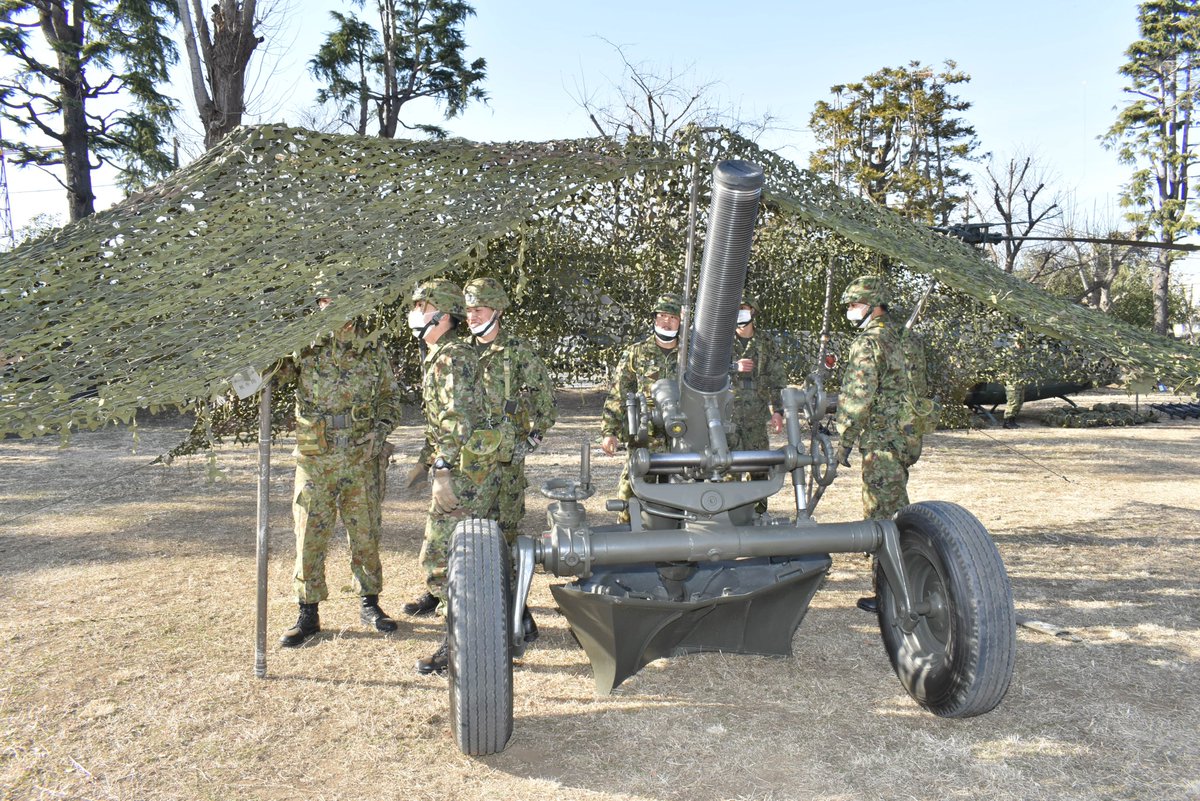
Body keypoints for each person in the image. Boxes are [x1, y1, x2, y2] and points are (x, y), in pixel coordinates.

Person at [278, 297, 403, 648]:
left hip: (359, 458)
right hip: (315, 458)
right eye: (324, 300)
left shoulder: (371, 346)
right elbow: (268, 375)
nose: (332, 306)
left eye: (339, 298)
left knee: (365, 533)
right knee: (309, 537)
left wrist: (378, 433)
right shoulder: (303, 345)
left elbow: (390, 401)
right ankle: (308, 612)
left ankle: (369, 603)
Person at [406, 278, 502, 674]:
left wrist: (442, 470)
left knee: (450, 561)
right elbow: (442, 420)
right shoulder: (441, 355)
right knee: (443, 557)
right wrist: (425, 459)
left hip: (464, 474)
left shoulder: (450, 358)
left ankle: (459, 647)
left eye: (423, 307)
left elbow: (457, 420)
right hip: (462, 466)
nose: (415, 313)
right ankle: (465, 637)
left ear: (443, 317)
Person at [834, 275, 928, 612]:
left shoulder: (869, 342)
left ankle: (891, 594)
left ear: (874, 306)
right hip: (904, 435)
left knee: (883, 515)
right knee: (893, 507)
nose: (850, 310)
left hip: (883, 439)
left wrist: (843, 438)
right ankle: (897, 585)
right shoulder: (906, 337)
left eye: (854, 304)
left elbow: (858, 395)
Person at [599, 292, 683, 523]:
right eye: (662, 316)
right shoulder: (637, 352)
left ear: (680, 322)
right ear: (655, 319)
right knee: (632, 490)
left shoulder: (690, 354)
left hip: (681, 438)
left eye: (673, 317)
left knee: (682, 493)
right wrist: (609, 433)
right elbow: (618, 392)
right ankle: (627, 535)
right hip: (645, 436)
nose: (667, 322)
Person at [728, 296, 787, 512]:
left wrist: (778, 411)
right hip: (728, 416)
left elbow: (777, 379)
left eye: (743, 308)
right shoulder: (722, 339)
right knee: (728, 471)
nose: (738, 312)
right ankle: (730, 518)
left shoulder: (766, 342)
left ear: (753, 312)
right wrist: (734, 366)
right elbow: (708, 370)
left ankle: (759, 518)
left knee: (760, 470)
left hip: (757, 416)